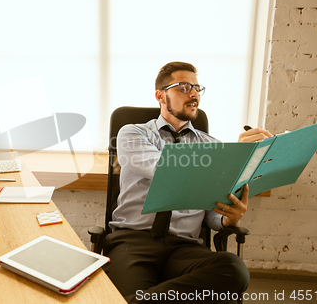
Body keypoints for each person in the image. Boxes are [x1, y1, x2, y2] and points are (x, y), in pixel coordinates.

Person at [102, 62, 273, 303]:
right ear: (160, 95)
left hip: (185, 247)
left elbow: (211, 213)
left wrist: (228, 218)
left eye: (196, 88)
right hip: (133, 242)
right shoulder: (133, 133)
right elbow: (164, 169)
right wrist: (230, 157)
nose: (193, 94)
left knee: (233, 270)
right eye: (183, 87)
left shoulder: (212, 146)